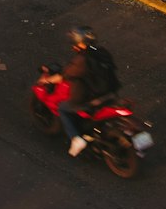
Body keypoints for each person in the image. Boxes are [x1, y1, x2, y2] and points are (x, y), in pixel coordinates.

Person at [44, 24, 119, 158]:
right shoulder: (102, 52)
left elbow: (65, 75)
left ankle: (76, 139)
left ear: (78, 42)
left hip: (91, 98)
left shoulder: (82, 60)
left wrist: (48, 81)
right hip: (111, 93)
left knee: (63, 108)